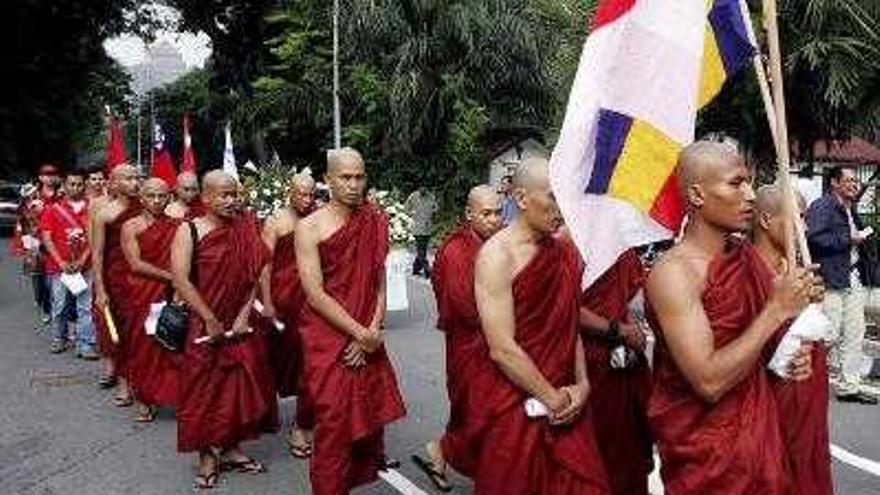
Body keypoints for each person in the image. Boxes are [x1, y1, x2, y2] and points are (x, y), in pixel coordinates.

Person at [646, 141, 818, 495]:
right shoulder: (673, 274)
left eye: (750, 182)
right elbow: (708, 381)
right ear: (696, 194)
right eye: (736, 183)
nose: (751, 195)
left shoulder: (746, 260)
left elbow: (758, 346)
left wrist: (786, 356)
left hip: (760, 442)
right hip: (708, 454)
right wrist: (775, 311)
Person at [471, 158, 609, 495]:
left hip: (567, 399)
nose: (562, 209)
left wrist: (583, 383)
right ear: (521, 198)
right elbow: (502, 349)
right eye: (553, 197)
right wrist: (553, 399)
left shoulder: (562, 252)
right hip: (517, 401)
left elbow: (568, 321)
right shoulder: (496, 255)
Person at [295, 147, 406, 495]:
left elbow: (378, 281)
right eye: (345, 177)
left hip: (366, 333)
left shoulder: (374, 220)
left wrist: (373, 330)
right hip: (328, 339)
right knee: (333, 423)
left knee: (364, 415)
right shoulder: (309, 228)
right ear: (328, 180)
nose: (354, 184)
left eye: (359, 176)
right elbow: (315, 294)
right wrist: (360, 334)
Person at [170, 171, 277, 489]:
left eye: (235, 194)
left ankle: (230, 447)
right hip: (203, 324)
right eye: (224, 195)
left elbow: (254, 274)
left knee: (238, 388)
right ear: (205, 197)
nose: (232, 201)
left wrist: (244, 314)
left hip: (240, 325)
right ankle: (206, 454)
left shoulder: (245, 229)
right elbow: (181, 280)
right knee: (203, 391)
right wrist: (209, 318)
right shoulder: (189, 230)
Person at [411, 185, 503, 491]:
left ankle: (442, 453)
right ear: (469, 214)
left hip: (493, 342)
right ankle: (447, 453)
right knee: (479, 410)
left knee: (483, 412)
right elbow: (465, 308)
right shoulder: (456, 250)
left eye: (498, 213)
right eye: (486, 213)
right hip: (470, 345)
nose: (494, 220)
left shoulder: (496, 245)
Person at [752, 184, 833, 495]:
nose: (806, 227)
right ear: (765, 220)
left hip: (805, 401)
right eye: (797, 217)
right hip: (767, 399)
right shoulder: (743, 272)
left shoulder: (800, 272)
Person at [578, 249, 653, 495]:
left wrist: (631, 326)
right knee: (592, 449)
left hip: (623, 361)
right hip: (585, 360)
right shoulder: (569, 246)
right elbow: (568, 306)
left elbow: (632, 298)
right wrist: (617, 330)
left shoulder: (622, 250)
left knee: (627, 448)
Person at [806, 166, 877, 404]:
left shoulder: (850, 209)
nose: (854, 184)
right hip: (831, 278)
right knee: (830, 333)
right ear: (834, 183)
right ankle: (801, 377)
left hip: (853, 278)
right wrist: (850, 239)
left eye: (856, 180)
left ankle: (850, 386)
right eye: (849, 180)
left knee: (855, 333)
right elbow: (813, 237)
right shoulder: (822, 207)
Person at [260, 172, 317, 458]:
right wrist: (267, 301)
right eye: (301, 194)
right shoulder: (276, 221)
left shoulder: (319, 218)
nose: (307, 200)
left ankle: (302, 420)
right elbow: (265, 265)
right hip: (283, 299)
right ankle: (264, 411)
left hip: (312, 300)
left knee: (311, 363)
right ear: (289, 192)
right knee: (277, 359)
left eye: (311, 194)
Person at [120, 178, 181, 423]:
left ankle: (176, 395)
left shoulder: (177, 225)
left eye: (162, 196)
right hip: (145, 292)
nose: (157, 201)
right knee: (146, 345)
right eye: (151, 196)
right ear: (142, 198)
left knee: (174, 343)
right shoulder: (131, 226)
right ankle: (145, 398)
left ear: (169, 198)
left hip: (174, 292)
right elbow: (136, 264)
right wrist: (171, 277)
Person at [91, 164, 141, 401]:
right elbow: (98, 253)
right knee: (119, 335)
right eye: (128, 179)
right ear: (115, 182)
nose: (135, 183)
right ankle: (124, 383)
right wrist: (100, 288)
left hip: (144, 278)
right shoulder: (105, 214)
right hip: (116, 279)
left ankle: (145, 383)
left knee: (142, 334)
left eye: (137, 178)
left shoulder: (147, 208)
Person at [39, 170, 97, 359]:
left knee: (85, 306)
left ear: (85, 185)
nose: (75, 188)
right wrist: (60, 261)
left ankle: (85, 343)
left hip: (85, 267)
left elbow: (95, 238)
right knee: (59, 305)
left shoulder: (92, 209)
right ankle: (60, 337)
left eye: (79, 184)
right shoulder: (52, 209)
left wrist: (82, 260)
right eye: (71, 184)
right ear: (64, 185)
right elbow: (47, 239)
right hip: (59, 268)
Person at [404, 184, 437, 277]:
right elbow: (406, 208)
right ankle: (427, 270)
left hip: (427, 227)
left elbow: (435, 208)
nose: (423, 189)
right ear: (418, 188)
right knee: (421, 249)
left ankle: (416, 268)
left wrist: (432, 213)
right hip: (417, 228)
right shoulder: (413, 196)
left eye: (425, 188)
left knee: (422, 249)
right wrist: (412, 214)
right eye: (421, 187)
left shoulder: (431, 196)